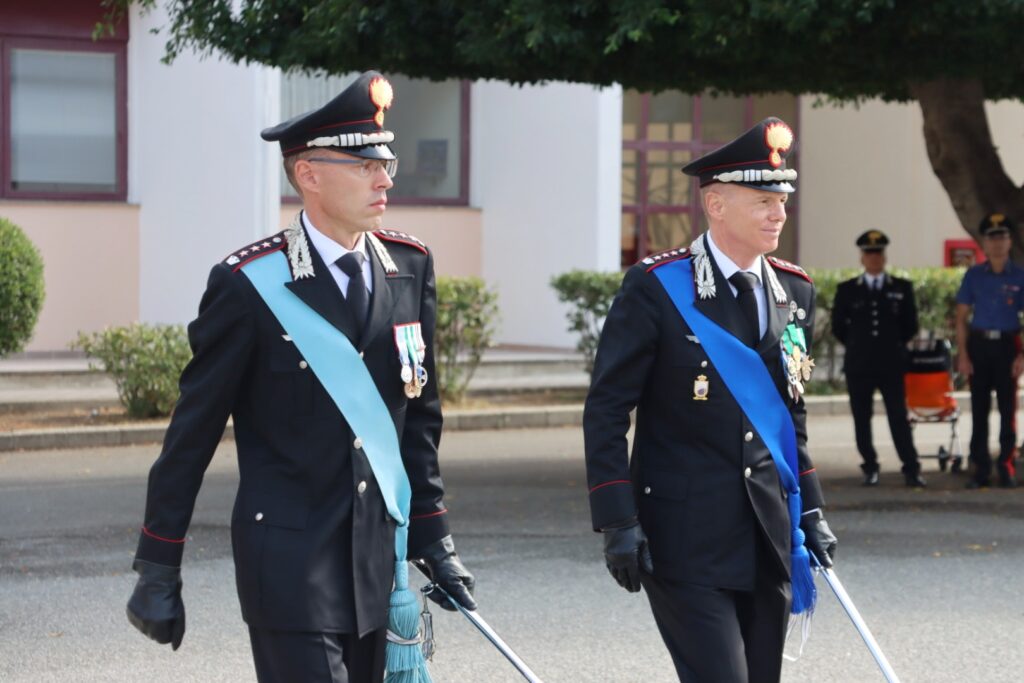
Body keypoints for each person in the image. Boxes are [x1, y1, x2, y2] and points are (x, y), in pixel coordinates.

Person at [125, 72, 477, 683]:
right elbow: (192, 434)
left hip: (377, 561)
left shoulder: (409, 268)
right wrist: (159, 564)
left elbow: (418, 421)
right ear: (309, 174)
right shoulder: (249, 284)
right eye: (364, 165)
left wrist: (434, 538)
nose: (385, 179)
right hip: (290, 561)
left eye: (386, 164)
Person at [584, 118, 837, 683]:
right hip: (684, 534)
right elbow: (606, 409)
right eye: (764, 200)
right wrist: (617, 518)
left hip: (768, 531)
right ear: (716, 204)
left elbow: (789, 416)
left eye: (782, 200)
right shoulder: (658, 286)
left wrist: (812, 510)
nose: (779, 213)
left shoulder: (794, 290)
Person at [832, 230, 925, 487]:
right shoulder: (848, 290)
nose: (874, 258)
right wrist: (858, 345)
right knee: (862, 417)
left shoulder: (901, 288)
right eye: (869, 253)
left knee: (898, 416)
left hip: (891, 364)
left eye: (878, 253)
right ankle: (870, 466)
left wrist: (889, 347)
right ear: (862, 258)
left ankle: (911, 467)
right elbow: (838, 327)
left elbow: (910, 325)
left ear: (884, 257)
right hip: (859, 365)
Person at [956, 213, 1024, 489]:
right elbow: (961, 317)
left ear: (1009, 242)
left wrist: (1022, 356)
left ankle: (1006, 466)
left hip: (1008, 346)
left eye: (1002, 237)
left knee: (1008, 410)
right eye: (992, 238)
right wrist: (963, 354)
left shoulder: (1020, 276)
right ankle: (980, 469)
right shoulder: (973, 276)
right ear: (984, 243)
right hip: (979, 346)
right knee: (979, 409)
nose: (997, 243)